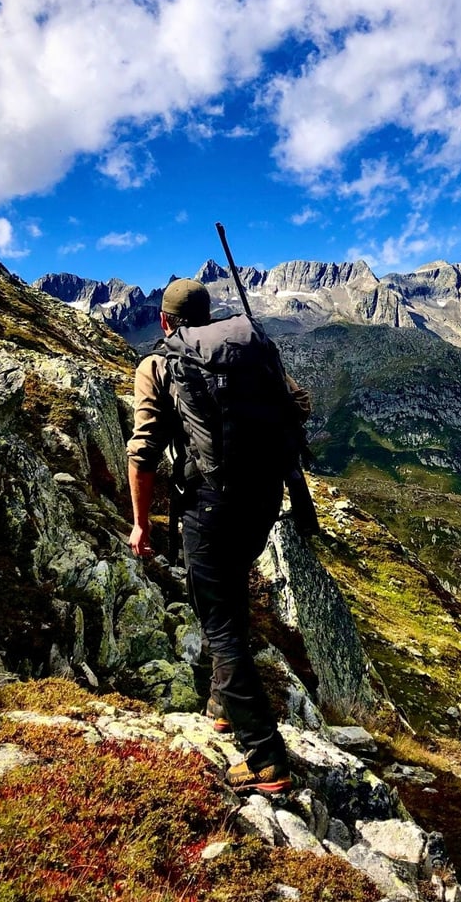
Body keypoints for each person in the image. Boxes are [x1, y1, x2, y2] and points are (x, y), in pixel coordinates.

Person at [126, 277, 292, 795]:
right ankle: (222, 704)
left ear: (165, 321)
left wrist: (138, 521)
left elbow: (142, 452)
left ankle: (265, 758)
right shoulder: (249, 349)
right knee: (230, 594)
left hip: (210, 504)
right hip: (263, 498)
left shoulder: (158, 365)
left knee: (218, 619)